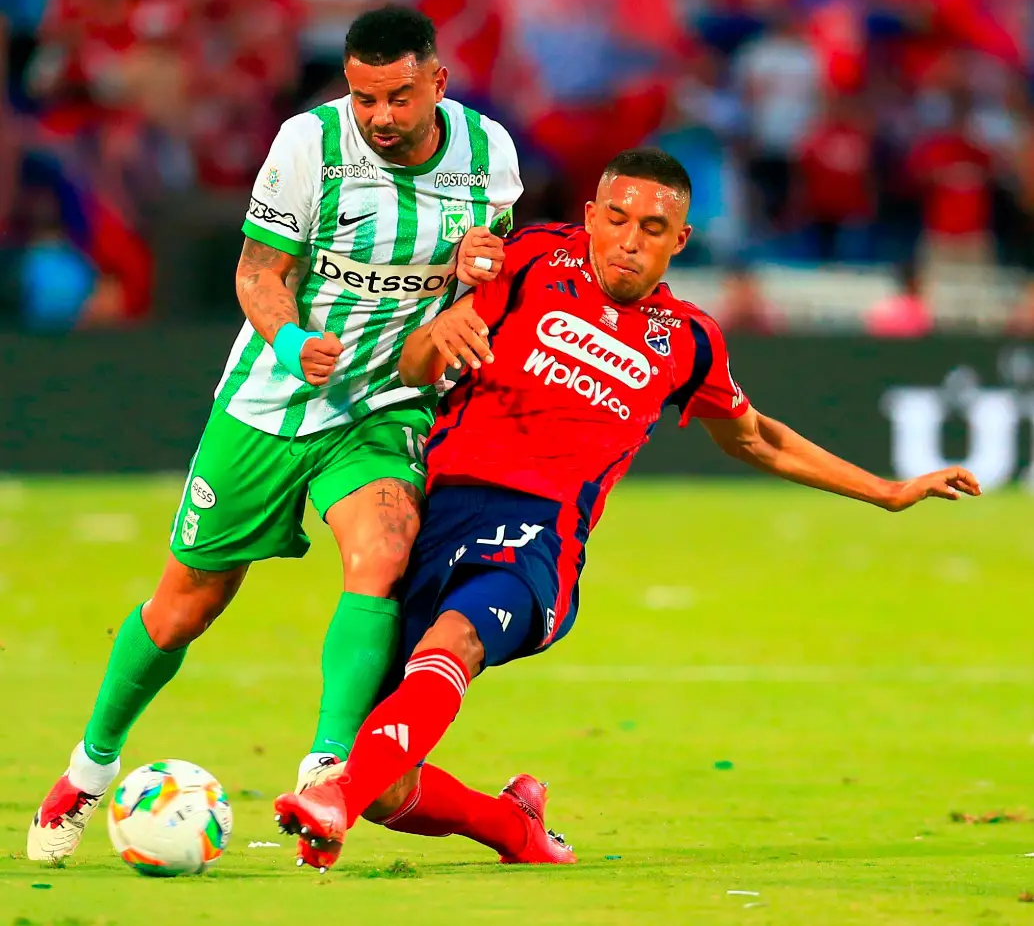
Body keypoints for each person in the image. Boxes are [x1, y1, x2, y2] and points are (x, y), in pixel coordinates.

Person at [271, 148, 982, 870]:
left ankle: (333, 801)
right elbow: (418, 363)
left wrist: (888, 492)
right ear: (589, 218)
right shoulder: (529, 260)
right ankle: (513, 828)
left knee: (449, 644)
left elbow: (756, 437)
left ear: (681, 241)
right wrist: (434, 337)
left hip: (539, 536)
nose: (629, 240)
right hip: (443, 512)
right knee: (389, 787)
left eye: (652, 226)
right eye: (615, 219)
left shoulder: (689, 339)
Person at [27, 5, 523, 861]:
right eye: (365, 98)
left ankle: (328, 768)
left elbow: (487, 273)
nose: (380, 118)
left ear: (436, 82)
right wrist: (293, 341)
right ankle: (89, 768)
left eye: (399, 97)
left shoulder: (490, 157)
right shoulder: (309, 145)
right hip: (267, 403)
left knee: (384, 548)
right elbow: (259, 272)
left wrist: (482, 270)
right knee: (187, 603)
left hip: (384, 403)